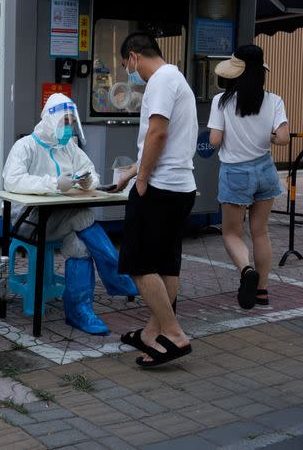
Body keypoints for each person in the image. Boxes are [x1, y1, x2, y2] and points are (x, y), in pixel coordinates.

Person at [2, 93, 138, 335]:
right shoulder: (26, 146)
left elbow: (90, 171)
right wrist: (54, 184)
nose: (69, 127)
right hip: (29, 221)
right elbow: (12, 180)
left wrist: (87, 182)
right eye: (65, 121)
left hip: (59, 219)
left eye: (71, 122)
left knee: (80, 245)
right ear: (50, 119)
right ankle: (118, 277)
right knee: (82, 215)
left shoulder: (68, 148)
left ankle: (79, 312)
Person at [115, 32, 197, 367]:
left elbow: (158, 132)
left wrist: (143, 179)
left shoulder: (160, 81)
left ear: (134, 56)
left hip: (160, 189)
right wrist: (134, 170)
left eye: (126, 67)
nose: (129, 74)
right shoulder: (177, 77)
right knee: (165, 263)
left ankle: (174, 333)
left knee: (137, 263)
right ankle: (153, 334)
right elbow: (166, 140)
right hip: (180, 186)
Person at [207, 45, 289, 309]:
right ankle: (262, 291)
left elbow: (215, 140)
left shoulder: (222, 101)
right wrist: (269, 136)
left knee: (232, 232)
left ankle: (246, 271)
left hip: (235, 172)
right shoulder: (274, 100)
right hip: (265, 169)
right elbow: (285, 139)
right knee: (260, 232)